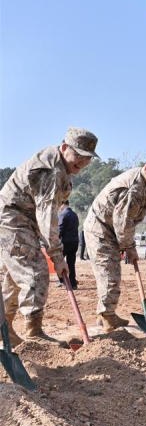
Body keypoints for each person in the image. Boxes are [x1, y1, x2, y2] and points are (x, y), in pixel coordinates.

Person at [0, 127, 99, 347]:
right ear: (64, 148)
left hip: (21, 220)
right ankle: (34, 333)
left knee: (14, 277)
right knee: (35, 272)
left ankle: (3, 328)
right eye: (79, 155)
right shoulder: (51, 171)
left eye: (88, 158)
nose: (84, 162)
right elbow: (47, 216)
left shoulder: (60, 165)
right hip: (13, 219)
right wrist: (57, 256)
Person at [84, 151, 146, 332]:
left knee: (110, 272)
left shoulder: (145, 184)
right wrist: (130, 247)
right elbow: (123, 222)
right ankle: (107, 316)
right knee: (110, 273)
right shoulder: (135, 188)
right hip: (101, 229)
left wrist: (126, 245)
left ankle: (104, 314)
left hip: (110, 230)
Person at [57, 200, 79, 289]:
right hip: (74, 241)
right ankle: (73, 284)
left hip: (65, 242)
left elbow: (60, 229)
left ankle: (62, 280)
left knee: (59, 260)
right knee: (71, 263)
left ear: (62, 204)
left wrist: (56, 239)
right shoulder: (75, 215)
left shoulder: (63, 214)